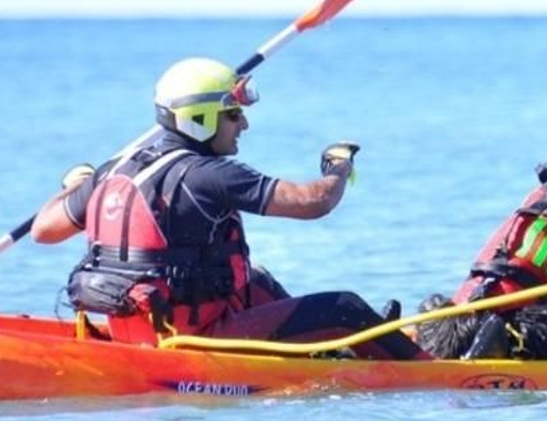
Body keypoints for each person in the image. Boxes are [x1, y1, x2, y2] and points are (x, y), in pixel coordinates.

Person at [31, 57, 425, 360]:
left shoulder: (110, 172)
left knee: (258, 281)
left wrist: (75, 184)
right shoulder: (211, 175)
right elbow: (315, 201)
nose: (243, 125)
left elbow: (44, 229)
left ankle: (326, 351)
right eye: (233, 114)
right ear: (200, 118)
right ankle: (432, 370)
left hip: (136, 332)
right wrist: (339, 167)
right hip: (195, 340)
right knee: (344, 306)